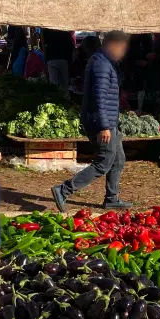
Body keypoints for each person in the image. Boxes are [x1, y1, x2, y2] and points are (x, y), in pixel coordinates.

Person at [52, 31, 130, 212]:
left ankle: (112, 198)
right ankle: (63, 190)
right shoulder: (101, 65)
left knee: (118, 159)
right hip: (102, 122)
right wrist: (104, 126)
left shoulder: (106, 62)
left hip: (110, 120)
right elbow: (99, 98)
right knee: (104, 162)